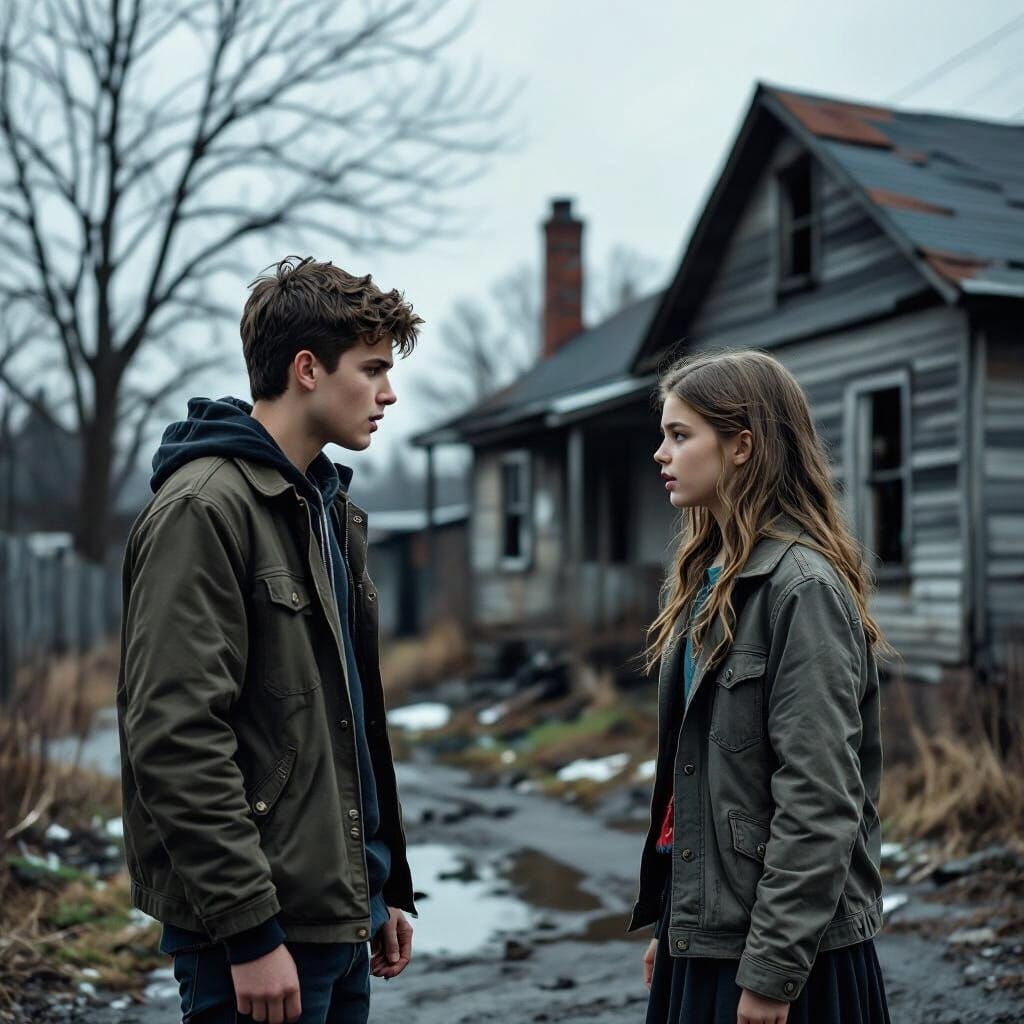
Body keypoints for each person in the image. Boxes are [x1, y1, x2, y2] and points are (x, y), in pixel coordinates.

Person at [115, 256, 424, 1024]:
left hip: (333, 920)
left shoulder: (322, 508)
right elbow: (175, 733)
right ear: (308, 369)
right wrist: (249, 932)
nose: (389, 394)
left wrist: (378, 885)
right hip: (252, 936)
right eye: (374, 369)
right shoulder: (204, 509)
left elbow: (342, 722)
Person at [629, 349, 893, 1024]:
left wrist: (773, 973)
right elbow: (704, 782)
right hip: (714, 942)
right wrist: (678, 922)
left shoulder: (801, 590)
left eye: (681, 435)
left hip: (788, 960)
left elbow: (819, 798)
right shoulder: (706, 583)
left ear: (742, 445)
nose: (661, 453)